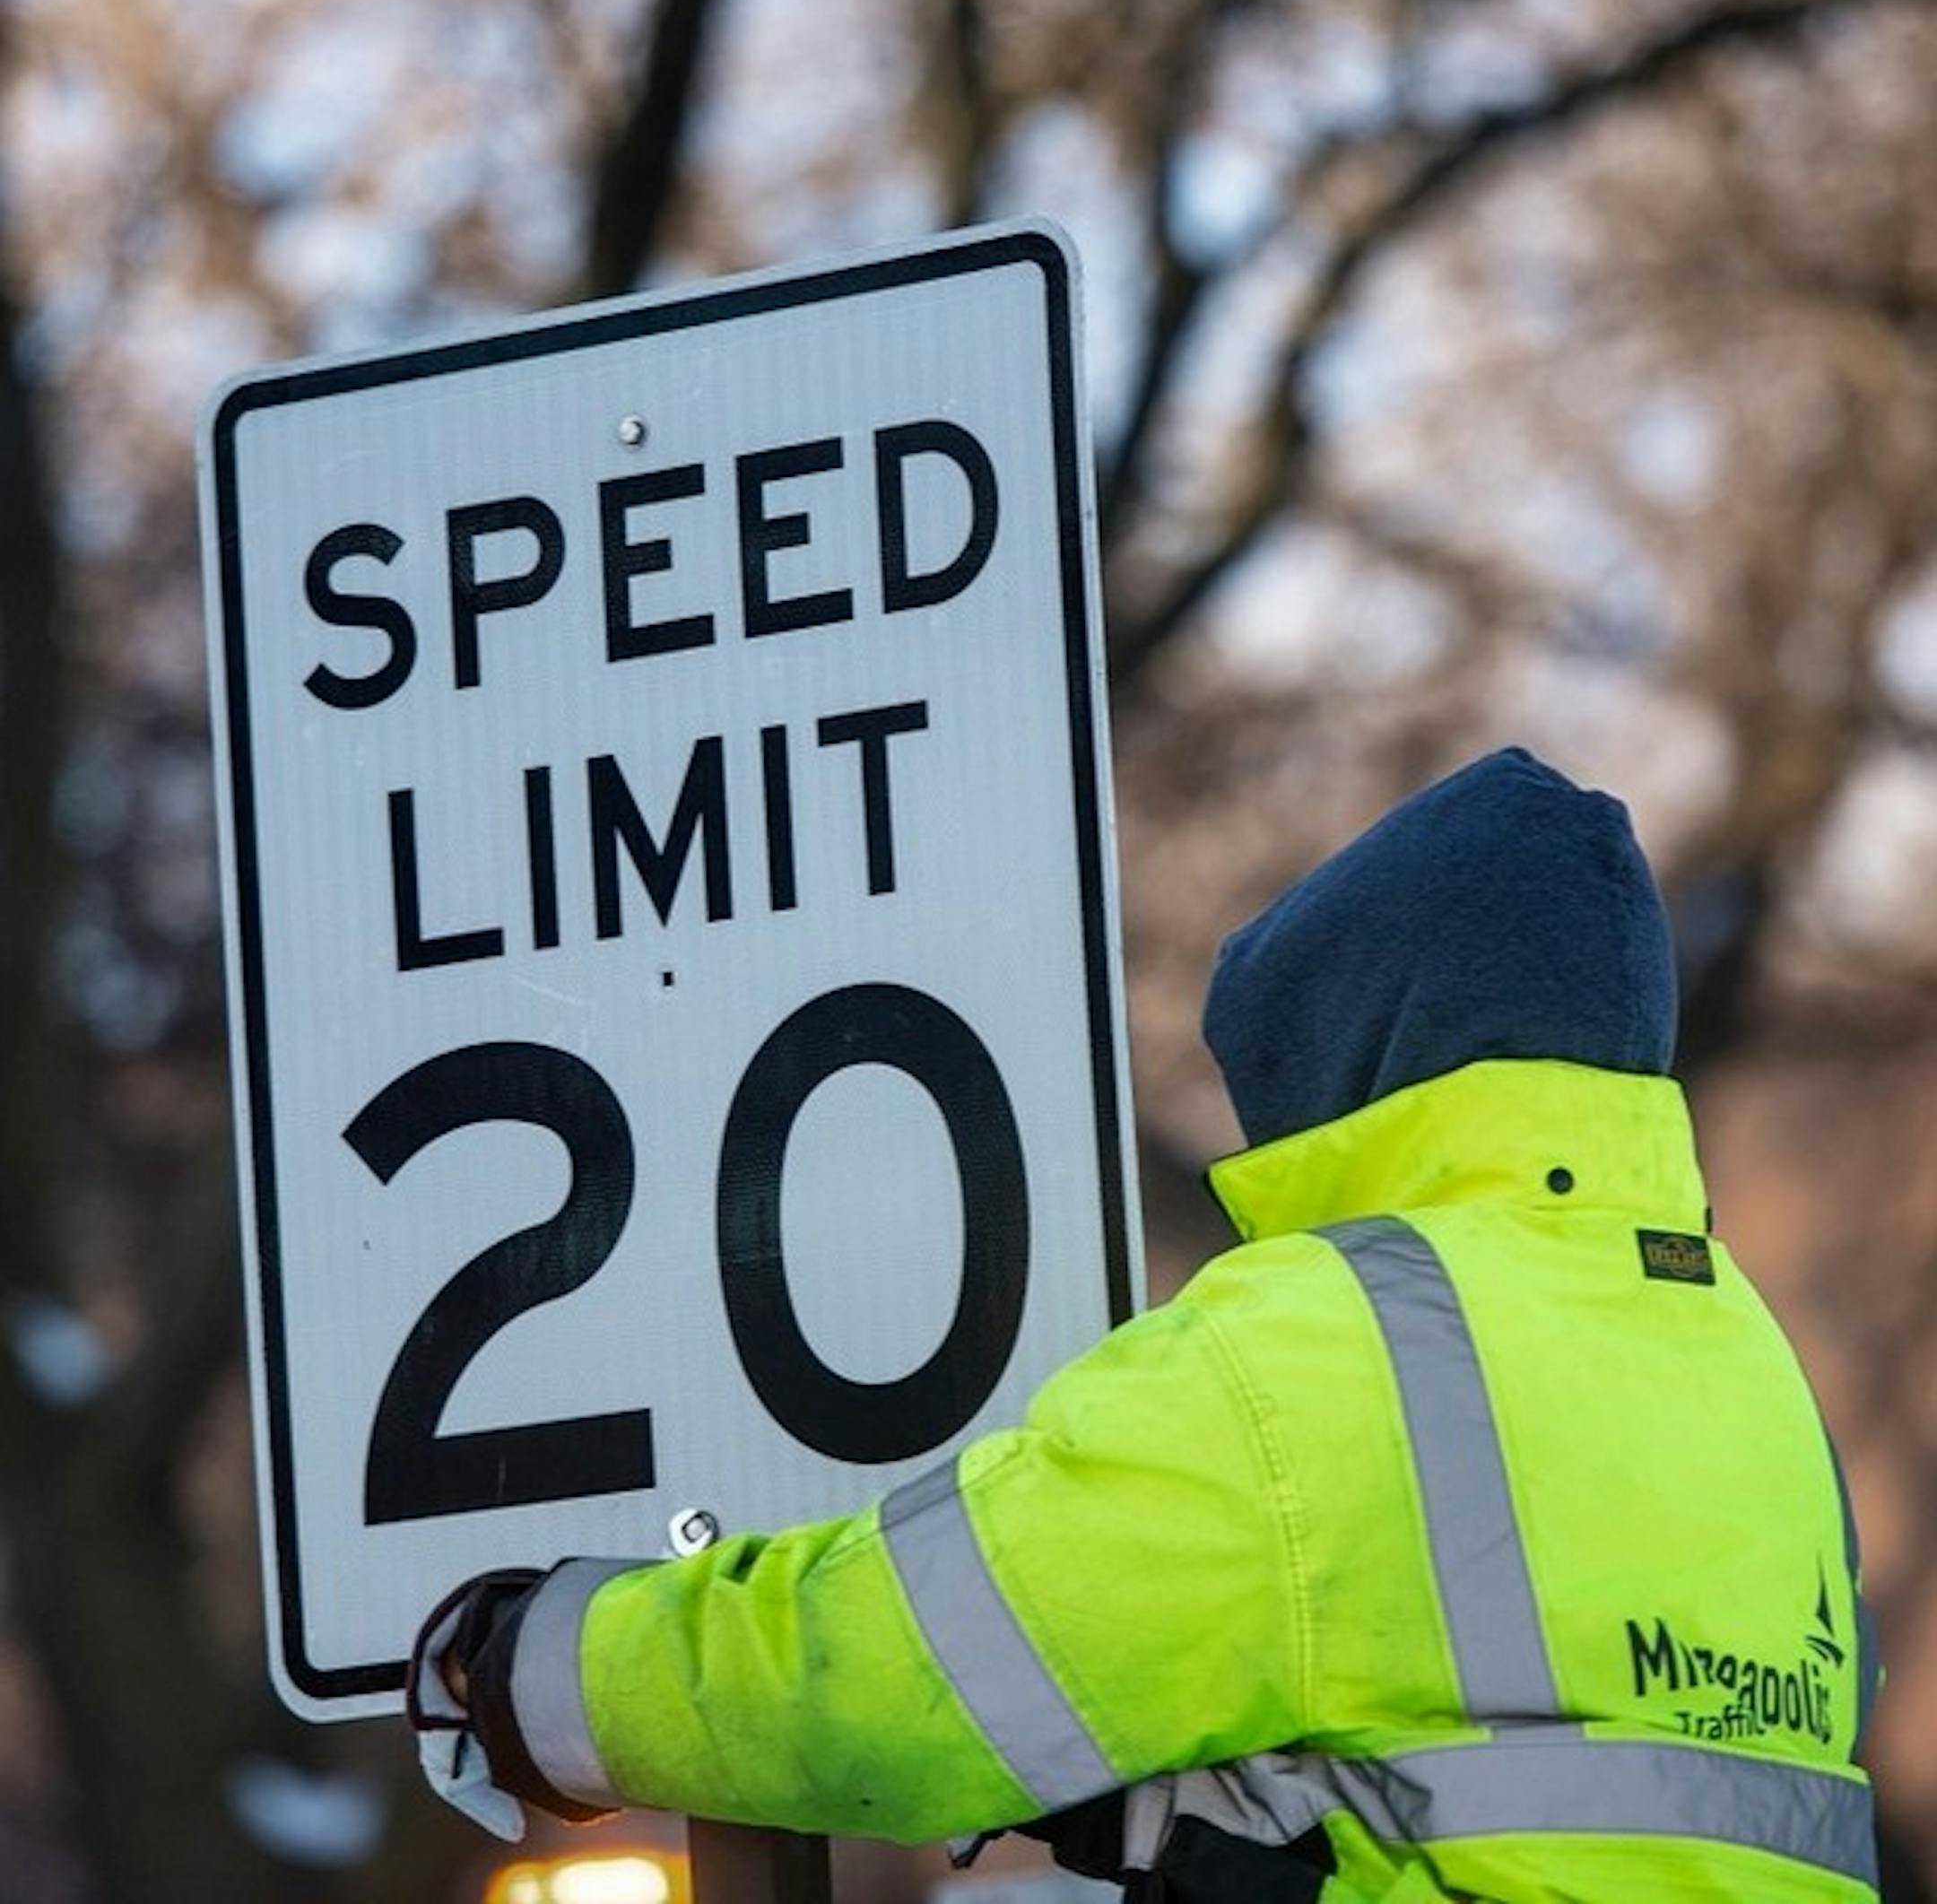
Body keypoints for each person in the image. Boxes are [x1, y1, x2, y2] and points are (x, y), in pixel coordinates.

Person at [407, 746, 1881, 1901]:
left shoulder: (1326, 1339)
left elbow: (889, 1683)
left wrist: (539, 1668)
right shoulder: (1741, 1358)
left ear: (1355, 1059)